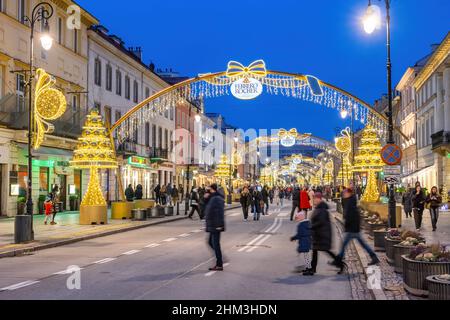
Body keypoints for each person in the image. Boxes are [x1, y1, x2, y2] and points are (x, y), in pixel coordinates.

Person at [335, 188, 379, 268]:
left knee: (344, 244)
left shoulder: (351, 202)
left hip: (352, 229)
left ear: (349, 193)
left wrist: (348, 225)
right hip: (353, 229)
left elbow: (351, 216)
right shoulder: (350, 201)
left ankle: (338, 259)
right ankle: (374, 257)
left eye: (345, 193)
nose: (344, 194)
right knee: (361, 244)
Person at [310, 192, 340, 275]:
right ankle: (313, 268)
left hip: (322, 235)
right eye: (314, 198)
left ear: (319, 199)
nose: (314, 200)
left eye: (315, 198)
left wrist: (311, 226)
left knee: (327, 251)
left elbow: (321, 222)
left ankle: (340, 264)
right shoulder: (319, 208)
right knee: (315, 251)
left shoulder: (322, 209)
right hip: (319, 234)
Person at [204, 183, 225, 271]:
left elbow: (220, 213)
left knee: (215, 244)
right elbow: (206, 208)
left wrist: (220, 225)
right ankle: (220, 259)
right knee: (210, 242)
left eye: (209, 188)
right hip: (212, 225)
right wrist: (206, 198)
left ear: (212, 189)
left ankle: (219, 264)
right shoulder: (212, 197)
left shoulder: (217, 198)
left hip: (216, 225)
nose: (207, 190)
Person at [290, 211, 312, 276]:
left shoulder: (301, 225)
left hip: (304, 242)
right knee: (306, 255)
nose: (296, 219)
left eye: (297, 218)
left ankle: (309, 268)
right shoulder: (308, 223)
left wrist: (293, 238)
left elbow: (299, 235)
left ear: (301, 218)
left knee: (306, 256)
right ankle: (308, 267)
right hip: (308, 241)